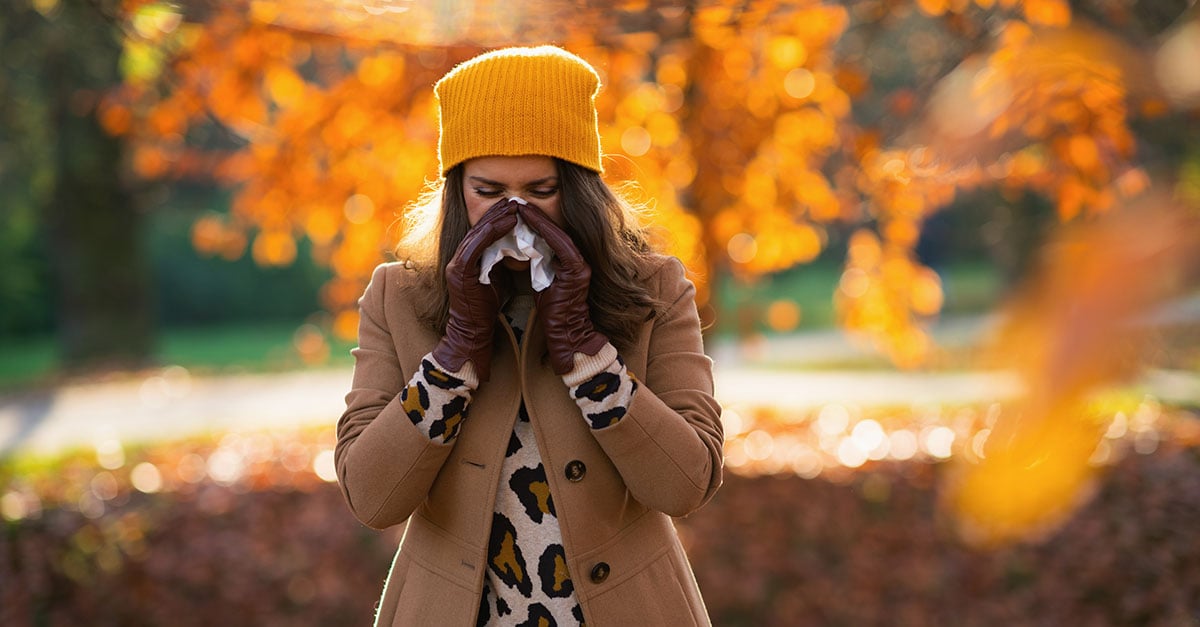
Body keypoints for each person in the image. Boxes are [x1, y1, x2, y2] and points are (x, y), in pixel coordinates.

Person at [335, 45, 723, 627]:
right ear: (456, 189)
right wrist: (454, 355)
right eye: (488, 192)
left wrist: (589, 357)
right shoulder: (399, 295)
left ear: (579, 189)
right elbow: (371, 496)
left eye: (541, 191)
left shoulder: (653, 287)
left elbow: (687, 483)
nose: (513, 217)